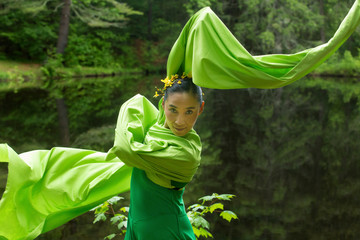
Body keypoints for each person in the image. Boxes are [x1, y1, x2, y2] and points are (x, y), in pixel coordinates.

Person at [124, 75, 204, 239]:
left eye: (189, 112)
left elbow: (124, 149)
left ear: (200, 109)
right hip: (136, 223)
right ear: (163, 106)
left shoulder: (186, 154)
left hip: (166, 230)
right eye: (173, 110)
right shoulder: (160, 129)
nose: (180, 121)